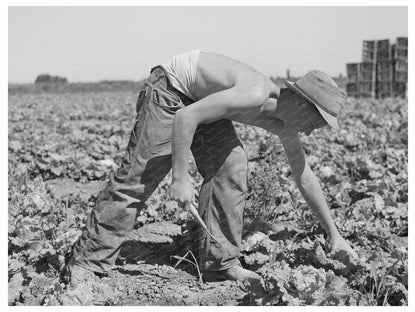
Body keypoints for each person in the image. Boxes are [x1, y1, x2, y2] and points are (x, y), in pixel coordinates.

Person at [65, 50, 357, 287]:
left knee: (232, 164)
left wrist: (334, 234)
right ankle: (87, 262)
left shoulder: (285, 124)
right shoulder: (255, 94)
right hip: (172, 90)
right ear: (303, 105)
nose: (311, 132)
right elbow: (186, 117)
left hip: (200, 102)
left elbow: (303, 175)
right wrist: (180, 178)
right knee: (140, 177)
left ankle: (220, 263)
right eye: (316, 123)